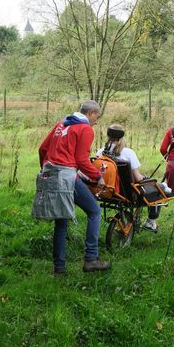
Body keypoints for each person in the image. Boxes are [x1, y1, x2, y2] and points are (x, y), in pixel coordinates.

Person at [38, 100, 111, 275]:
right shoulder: (85, 129)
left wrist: (46, 170)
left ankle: (59, 269)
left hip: (51, 173)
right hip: (67, 176)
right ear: (91, 113)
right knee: (94, 211)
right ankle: (91, 259)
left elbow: (42, 149)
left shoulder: (62, 124)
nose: (96, 122)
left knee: (61, 221)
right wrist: (97, 176)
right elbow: (81, 160)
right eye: (96, 118)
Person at [96, 124, 163, 233]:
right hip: (128, 194)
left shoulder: (100, 152)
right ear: (122, 137)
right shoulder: (128, 153)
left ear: (108, 135)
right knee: (158, 188)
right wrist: (146, 177)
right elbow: (137, 178)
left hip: (108, 191)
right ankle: (151, 222)